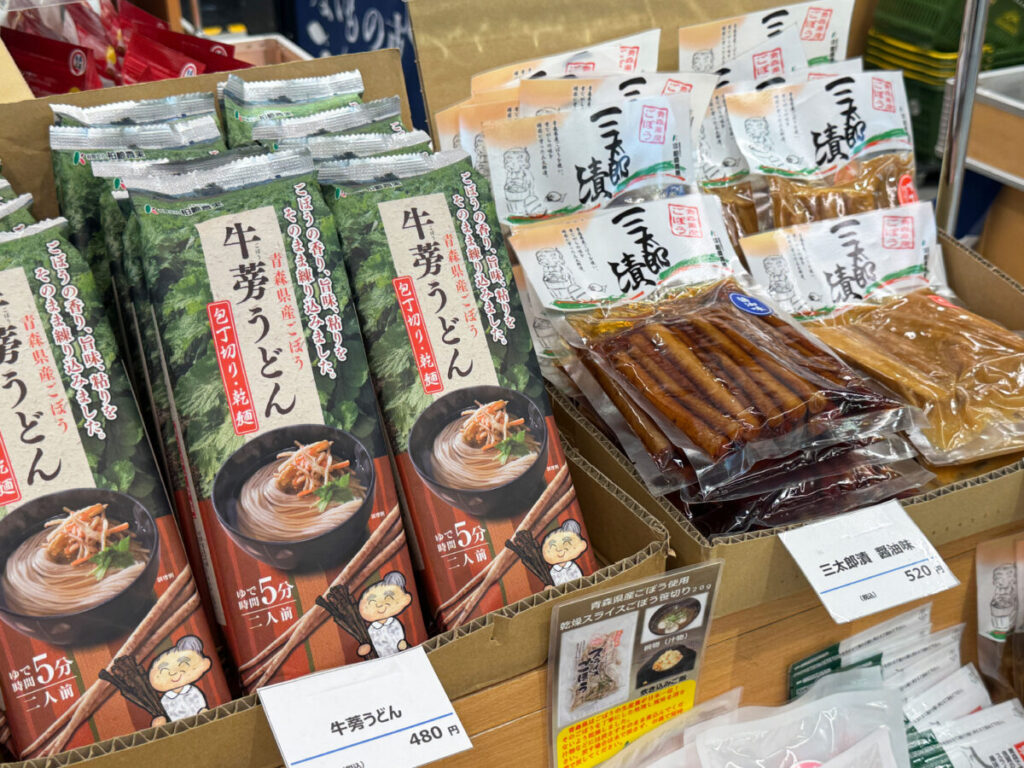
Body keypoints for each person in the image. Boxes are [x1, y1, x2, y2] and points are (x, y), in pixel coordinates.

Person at [148, 635, 213, 727]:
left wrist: (203, 712)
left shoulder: (193, 691)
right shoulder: (165, 699)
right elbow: (166, 715)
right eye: (164, 670)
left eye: (183, 664)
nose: (173, 673)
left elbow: (201, 708)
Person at [357, 571, 414, 658]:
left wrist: (402, 644)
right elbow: (370, 643)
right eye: (372, 602)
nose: (379, 605)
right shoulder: (372, 629)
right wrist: (367, 648)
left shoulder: (395, 624)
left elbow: (400, 640)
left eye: (388, 598)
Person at [542, 520, 589, 587]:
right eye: (553, 546)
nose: (559, 550)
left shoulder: (573, 567)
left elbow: (580, 579)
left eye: (566, 543)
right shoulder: (553, 572)